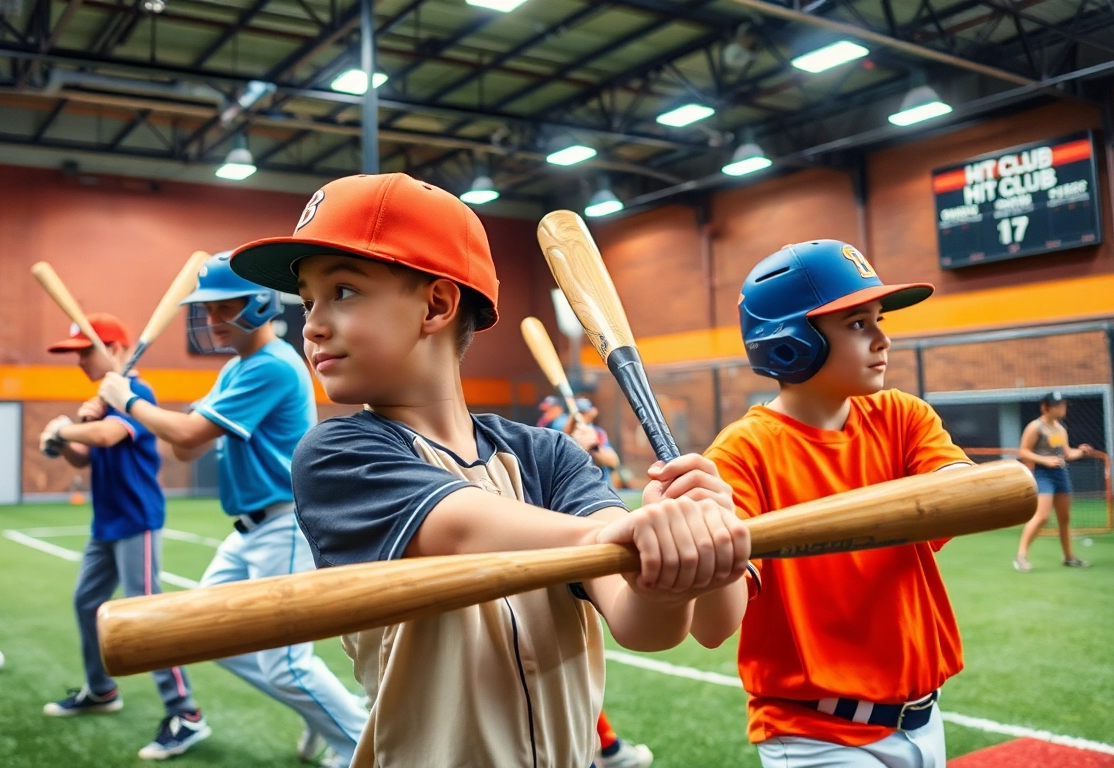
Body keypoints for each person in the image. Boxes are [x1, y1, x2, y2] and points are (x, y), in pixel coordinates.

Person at [229, 172, 755, 767]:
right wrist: (617, 533)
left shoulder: (547, 456)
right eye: (307, 302)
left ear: (437, 304)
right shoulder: (338, 455)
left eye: (343, 292)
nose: (313, 324)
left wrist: (681, 540)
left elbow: (644, 628)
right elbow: (461, 529)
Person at [706, 240, 972, 768]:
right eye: (857, 324)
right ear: (791, 343)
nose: (883, 338)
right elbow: (714, 626)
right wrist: (706, 554)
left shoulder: (901, 417)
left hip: (924, 720)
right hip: (813, 734)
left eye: (877, 319)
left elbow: (963, 495)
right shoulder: (743, 453)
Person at [96, 254, 368, 767]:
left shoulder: (272, 366)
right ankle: (325, 718)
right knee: (210, 635)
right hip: (249, 529)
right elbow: (185, 447)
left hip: (284, 522)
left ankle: (362, 748)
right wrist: (123, 399)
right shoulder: (236, 367)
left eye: (225, 308)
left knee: (286, 665)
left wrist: (125, 399)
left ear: (261, 304)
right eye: (209, 309)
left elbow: (189, 433)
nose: (213, 319)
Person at [38, 313, 208, 761]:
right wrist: (62, 443)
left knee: (146, 612)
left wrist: (64, 429)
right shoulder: (99, 398)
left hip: (137, 519)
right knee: (86, 603)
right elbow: (83, 456)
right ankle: (101, 690)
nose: (78, 361)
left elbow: (108, 435)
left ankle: (184, 712)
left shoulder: (135, 394)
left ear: (115, 350)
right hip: (105, 523)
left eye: (85, 351)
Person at [541, 398, 648, 768]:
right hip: (563, 533)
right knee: (563, 655)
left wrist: (595, 448)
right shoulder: (553, 434)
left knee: (577, 653)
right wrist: (574, 442)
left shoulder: (594, 432)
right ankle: (608, 746)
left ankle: (606, 746)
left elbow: (614, 465)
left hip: (600, 514)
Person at [1013, 391, 1097, 572]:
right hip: (1043, 474)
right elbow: (1024, 452)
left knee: (1064, 518)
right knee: (1042, 516)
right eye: (1057, 405)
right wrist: (1045, 461)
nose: (1062, 408)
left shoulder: (1060, 429)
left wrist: (1081, 452)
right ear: (1045, 407)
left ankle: (1068, 557)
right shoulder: (1035, 427)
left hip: (1061, 473)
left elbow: (1066, 453)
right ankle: (1020, 556)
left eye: (1063, 405)